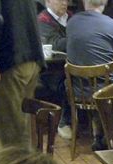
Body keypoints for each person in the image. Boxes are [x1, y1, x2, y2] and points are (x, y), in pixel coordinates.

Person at [66, 0, 113, 149]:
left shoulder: (71, 23)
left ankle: (99, 135)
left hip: (78, 92)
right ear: (105, 2)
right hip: (105, 93)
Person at [0, 0, 46, 148]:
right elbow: (39, 6)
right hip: (32, 57)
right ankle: (27, 162)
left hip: (9, 60)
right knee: (24, 132)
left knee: (12, 137)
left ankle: (20, 163)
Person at [37, 0, 73, 140]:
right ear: (48, 1)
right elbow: (55, 44)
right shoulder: (43, 20)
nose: (64, 3)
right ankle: (64, 122)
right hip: (50, 70)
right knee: (66, 83)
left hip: (72, 65)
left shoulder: (72, 17)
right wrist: (77, 37)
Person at [66, 0, 113, 67]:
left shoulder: (71, 22)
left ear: (84, 2)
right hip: (107, 73)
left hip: (74, 74)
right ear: (105, 2)